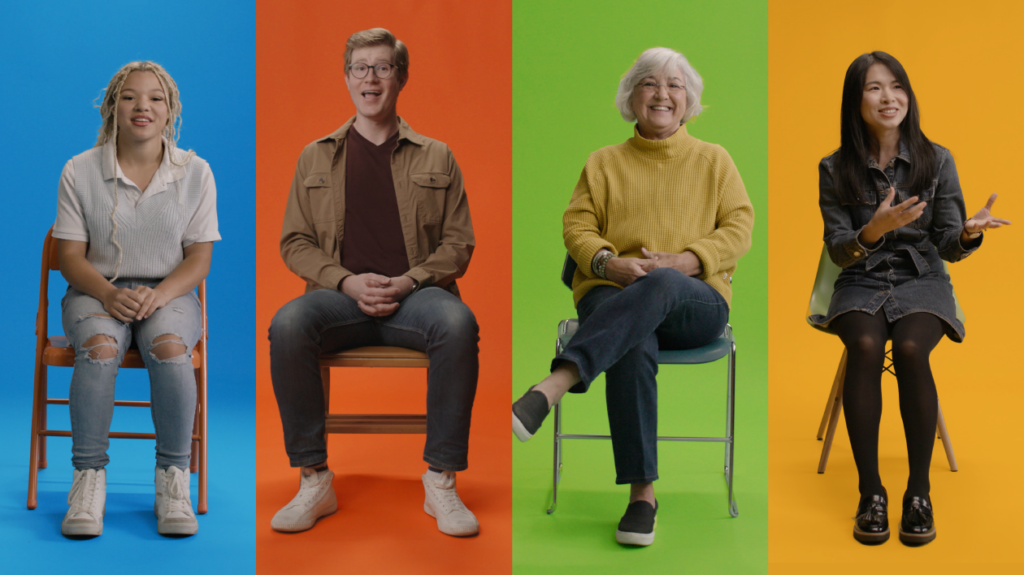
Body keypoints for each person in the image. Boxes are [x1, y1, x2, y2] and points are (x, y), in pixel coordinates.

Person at [511, 47, 754, 546]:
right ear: (631, 96)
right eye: (649, 83)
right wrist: (608, 263)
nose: (662, 94)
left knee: (660, 284)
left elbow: (739, 228)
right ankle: (642, 496)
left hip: (695, 300)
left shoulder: (715, 160)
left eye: (675, 85)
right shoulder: (603, 163)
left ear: (689, 100)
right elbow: (576, 226)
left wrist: (684, 262)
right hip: (611, 293)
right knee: (631, 336)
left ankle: (557, 383)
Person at [268, 28, 480, 537]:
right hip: (338, 301)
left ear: (400, 78)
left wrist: (408, 282)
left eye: (383, 67)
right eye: (360, 68)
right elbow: (294, 242)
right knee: (288, 324)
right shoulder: (314, 156)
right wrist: (345, 283)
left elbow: (458, 244)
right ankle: (314, 478)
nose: (371, 78)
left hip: (418, 299)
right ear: (346, 78)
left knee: (458, 322)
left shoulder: (438, 156)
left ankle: (441, 481)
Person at [811, 51, 1010, 546]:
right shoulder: (834, 168)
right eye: (874, 88)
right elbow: (839, 250)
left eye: (896, 86)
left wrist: (966, 233)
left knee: (911, 349)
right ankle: (870, 493)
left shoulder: (936, 159)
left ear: (908, 96)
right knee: (863, 346)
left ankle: (918, 492)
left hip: (922, 278)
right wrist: (873, 231)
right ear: (855, 100)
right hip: (859, 277)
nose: (888, 97)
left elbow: (947, 245)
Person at [53, 61, 219, 537]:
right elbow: (70, 257)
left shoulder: (196, 172)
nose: (142, 106)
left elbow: (198, 260)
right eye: (129, 96)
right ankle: (87, 479)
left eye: (155, 98)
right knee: (101, 348)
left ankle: (173, 480)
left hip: (169, 292)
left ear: (170, 112)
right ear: (112, 107)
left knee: (169, 349)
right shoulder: (79, 170)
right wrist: (108, 293)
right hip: (94, 289)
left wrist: (159, 295)